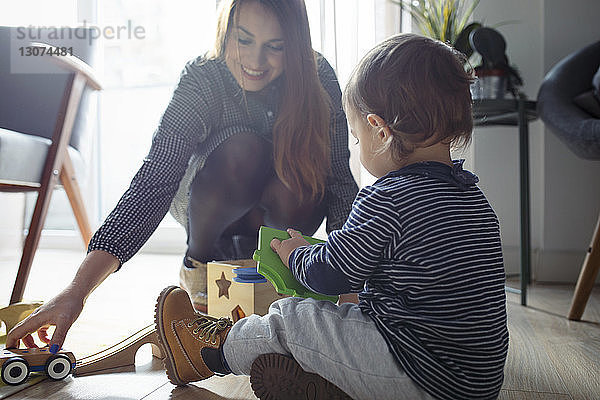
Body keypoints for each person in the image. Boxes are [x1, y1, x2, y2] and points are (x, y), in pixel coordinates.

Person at [153, 33, 510, 400]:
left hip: (416, 373)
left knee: (293, 317)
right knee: (346, 317)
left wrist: (296, 255)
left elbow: (332, 273)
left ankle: (206, 352)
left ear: (380, 130)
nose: (356, 146)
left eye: (356, 137)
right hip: (476, 383)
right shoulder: (473, 199)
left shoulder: (388, 197)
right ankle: (332, 380)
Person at [6, 0, 357, 350]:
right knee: (244, 150)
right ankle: (201, 269)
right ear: (226, 30)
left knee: (300, 175)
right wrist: (76, 291)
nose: (254, 61)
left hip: (283, 222)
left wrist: (351, 287)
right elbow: (155, 178)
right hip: (214, 205)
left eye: (275, 47)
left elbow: (341, 183)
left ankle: (276, 282)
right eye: (243, 39)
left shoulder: (317, 75)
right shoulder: (204, 77)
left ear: (294, 43)